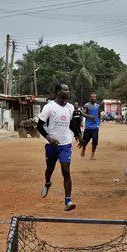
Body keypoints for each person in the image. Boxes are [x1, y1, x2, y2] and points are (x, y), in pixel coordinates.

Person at [37, 83, 82, 211]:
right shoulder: (49, 107)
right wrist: (49, 138)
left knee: (66, 170)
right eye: (64, 90)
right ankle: (47, 182)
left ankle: (68, 200)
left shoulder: (70, 107)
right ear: (57, 92)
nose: (67, 92)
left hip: (65, 144)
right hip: (51, 145)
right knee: (50, 168)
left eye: (68, 89)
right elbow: (39, 126)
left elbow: (72, 123)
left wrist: (78, 134)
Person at [81, 93, 102, 159]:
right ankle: (83, 148)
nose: (94, 98)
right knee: (85, 141)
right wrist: (89, 116)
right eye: (92, 97)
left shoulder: (97, 106)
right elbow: (82, 113)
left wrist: (99, 122)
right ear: (90, 98)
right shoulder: (86, 105)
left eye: (95, 97)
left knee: (95, 141)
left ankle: (92, 154)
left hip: (95, 127)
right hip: (88, 127)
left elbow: (99, 114)